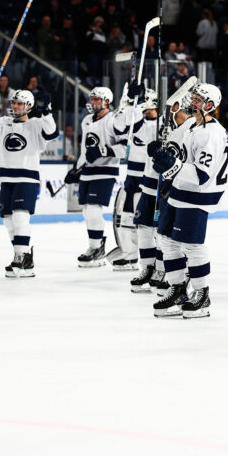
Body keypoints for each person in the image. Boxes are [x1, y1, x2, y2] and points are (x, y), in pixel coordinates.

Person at [150, 83, 228, 318]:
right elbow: (177, 152)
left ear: (210, 105)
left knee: (192, 245)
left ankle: (202, 294)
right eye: (193, 97)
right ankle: (178, 289)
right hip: (180, 190)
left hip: (199, 194)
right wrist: (161, 153)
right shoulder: (192, 125)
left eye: (198, 99)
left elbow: (202, 174)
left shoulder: (212, 133)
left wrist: (172, 166)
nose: (192, 102)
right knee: (166, 239)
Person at [0, 87, 57, 277]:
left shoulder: (36, 124)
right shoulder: (4, 122)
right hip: (6, 177)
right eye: (14, 103)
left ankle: (22, 257)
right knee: (9, 221)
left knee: (20, 216)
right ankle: (21, 255)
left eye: (20, 103)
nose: (15, 106)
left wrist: (47, 111)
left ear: (29, 106)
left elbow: (51, 132)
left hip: (27, 177)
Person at [130, 77, 196, 294]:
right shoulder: (163, 125)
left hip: (168, 187)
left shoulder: (190, 129)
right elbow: (133, 132)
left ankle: (162, 270)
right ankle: (147, 267)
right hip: (150, 183)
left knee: (163, 232)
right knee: (144, 227)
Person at [65, 87, 127, 267]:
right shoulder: (86, 120)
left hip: (105, 171)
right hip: (88, 172)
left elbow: (125, 148)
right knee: (87, 211)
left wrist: (103, 150)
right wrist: (76, 169)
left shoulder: (114, 120)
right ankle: (95, 246)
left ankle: (97, 248)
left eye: (97, 100)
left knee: (93, 210)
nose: (93, 103)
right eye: (92, 99)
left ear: (106, 101)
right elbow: (85, 150)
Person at [107, 83, 158, 272]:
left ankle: (152, 261)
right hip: (132, 179)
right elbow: (119, 127)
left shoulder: (162, 126)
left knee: (146, 224)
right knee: (126, 218)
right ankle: (129, 254)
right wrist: (129, 104)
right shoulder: (138, 123)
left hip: (149, 181)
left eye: (144, 101)